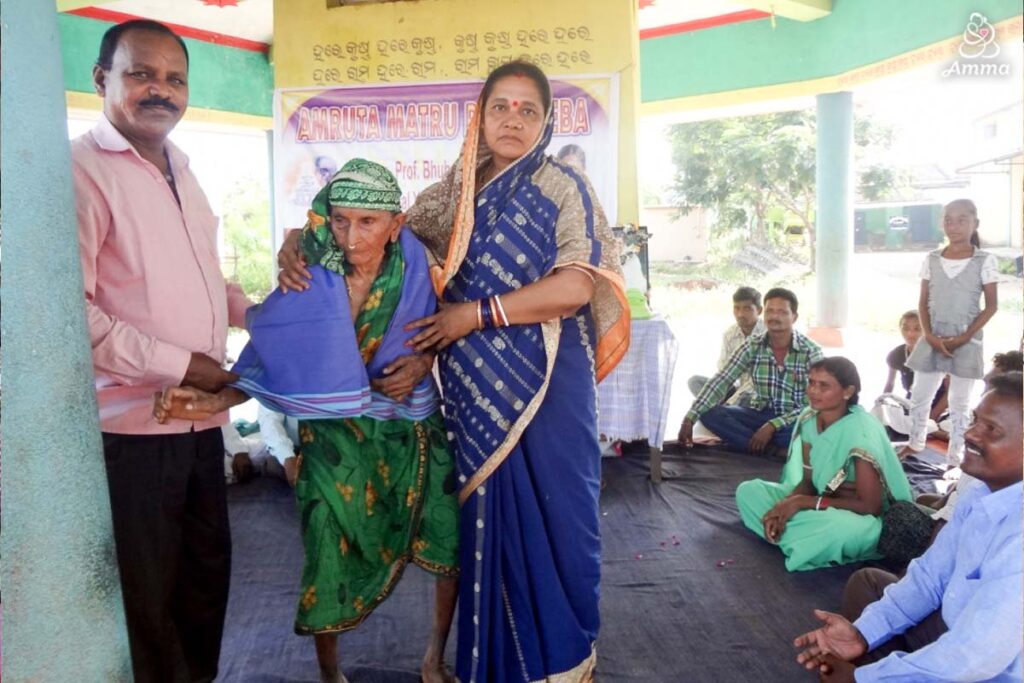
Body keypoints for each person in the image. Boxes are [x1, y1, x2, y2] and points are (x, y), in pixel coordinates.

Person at [278, 61, 629, 683]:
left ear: (546, 122)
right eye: (501, 107)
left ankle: (562, 662)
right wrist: (298, 241)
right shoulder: (454, 193)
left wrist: (475, 315)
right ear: (480, 116)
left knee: (559, 517)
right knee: (488, 525)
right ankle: (494, 664)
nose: (513, 120)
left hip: (547, 385)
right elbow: (387, 242)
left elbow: (578, 285)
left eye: (528, 109)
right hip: (473, 391)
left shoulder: (562, 185)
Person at [157, 159, 460, 683]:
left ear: (396, 223)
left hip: (410, 425)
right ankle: (329, 674)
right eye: (340, 221)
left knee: (444, 540)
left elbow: (450, 325)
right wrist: (220, 396)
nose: (351, 237)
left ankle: (434, 658)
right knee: (325, 546)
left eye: (367, 222)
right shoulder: (311, 270)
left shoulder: (423, 261)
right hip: (333, 434)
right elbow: (283, 350)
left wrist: (424, 360)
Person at [73, 19, 252, 682]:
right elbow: (73, 316)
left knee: (205, 583)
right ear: (102, 80)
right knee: (147, 601)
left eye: (175, 79)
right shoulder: (80, 171)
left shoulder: (184, 167)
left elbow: (212, 282)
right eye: (141, 74)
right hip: (132, 433)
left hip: (202, 423)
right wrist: (187, 365)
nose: (161, 90)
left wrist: (275, 318)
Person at [794, 372, 1023, 682]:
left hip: (994, 671)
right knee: (867, 585)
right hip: (957, 631)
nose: (970, 434)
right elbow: (929, 577)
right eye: (974, 421)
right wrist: (862, 634)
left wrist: (864, 678)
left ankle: (887, 668)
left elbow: (976, 656)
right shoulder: (979, 493)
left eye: (991, 429)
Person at [735, 358, 912, 571]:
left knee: (836, 528)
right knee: (748, 491)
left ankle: (787, 535)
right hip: (820, 502)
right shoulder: (809, 419)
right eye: (811, 382)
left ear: (848, 391)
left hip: (858, 518)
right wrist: (783, 507)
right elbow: (809, 481)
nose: (813, 391)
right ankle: (797, 539)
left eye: (824, 386)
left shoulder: (861, 431)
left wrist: (802, 503)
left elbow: (870, 507)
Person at [900, 199, 998, 464]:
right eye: (948, 220)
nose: (954, 226)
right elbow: (922, 303)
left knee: (960, 403)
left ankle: (956, 457)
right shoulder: (932, 259)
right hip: (932, 338)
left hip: (967, 341)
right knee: (920, 396)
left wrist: (965, 337)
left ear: (975, 223)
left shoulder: (984, 261)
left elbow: (991, 306)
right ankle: (916, 442)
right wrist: (929, 336)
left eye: (962, 220)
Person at [678, 287, 823, 455]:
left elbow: (816, 403)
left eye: (782, 312)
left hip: (794, 419)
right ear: (764, 314)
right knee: (708, 413)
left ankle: (751, 443)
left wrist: (773, 425)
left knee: (813, 427)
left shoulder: (811, 351)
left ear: (794, 317)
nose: (774, 317)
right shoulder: (753, 345)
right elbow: (722, 379)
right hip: (758, 414)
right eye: (770, 311)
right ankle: (770, 449)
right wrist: (689, 418)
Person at [871, 310, 948, 440]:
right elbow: (889, 385)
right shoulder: (897, 354)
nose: (910, 334)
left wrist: (931, 419)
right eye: (905, 328)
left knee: (944, 430)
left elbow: (951, 392)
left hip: (940, 409)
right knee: (885, 421)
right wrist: (882, 405)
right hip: (912, 405)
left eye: (917, 329)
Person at [687, 286, 766, 405]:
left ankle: (720, 409)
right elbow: (723, 370)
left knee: (747, 400)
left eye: (747, 309)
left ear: (759, 310)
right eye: (736, 308)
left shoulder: (768, 335)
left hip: (756, 393)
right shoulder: (730, 334)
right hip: (734, 389)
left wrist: (730, 402)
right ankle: (721, 408)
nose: (740, 314)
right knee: (694, 382)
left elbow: (755, 381)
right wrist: (720, 392)